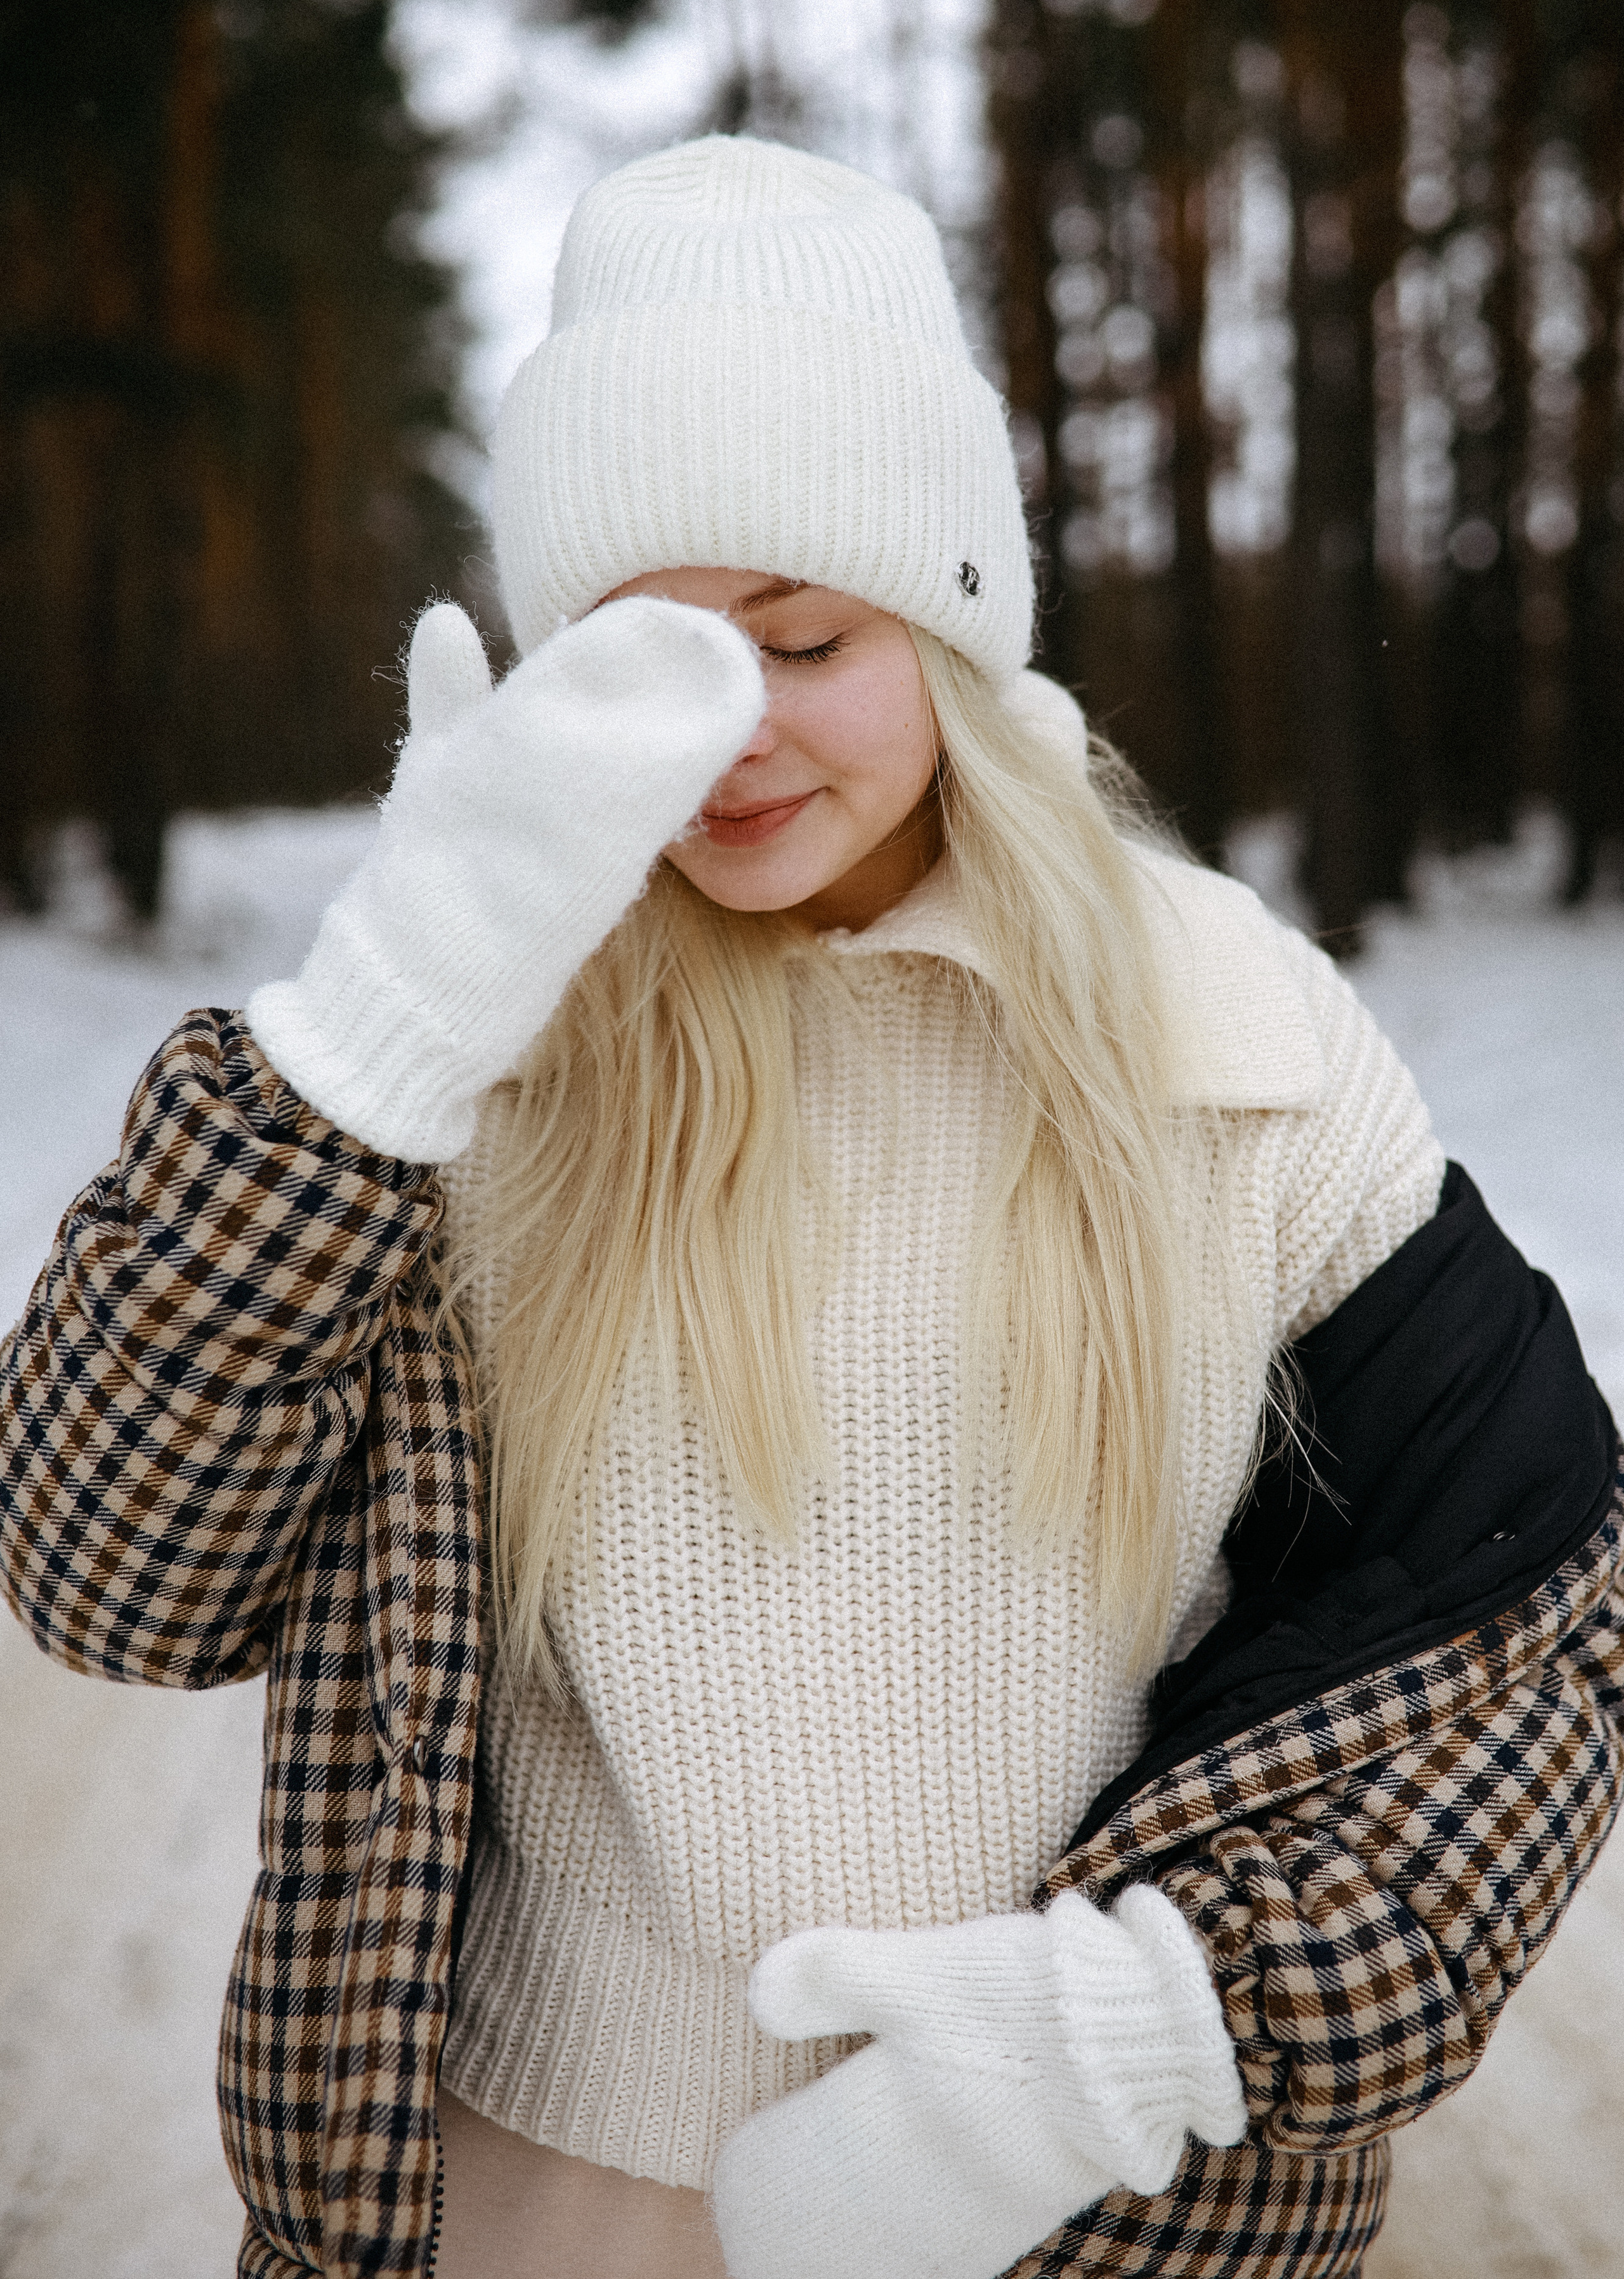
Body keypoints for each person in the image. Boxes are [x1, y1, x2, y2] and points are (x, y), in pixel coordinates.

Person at [2, 136, 1620, 2279]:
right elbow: (110, 1577)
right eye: (640, 663)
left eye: (803, 634)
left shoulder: (1232, 1029)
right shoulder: (466, 1043)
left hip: (1102, 2207)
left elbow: (1536, 1604)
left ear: (949, 626)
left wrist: (1127, 2038)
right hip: (531, 2191)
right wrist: (383, 1040)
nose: (735, 736)